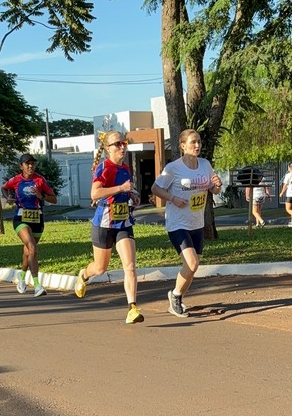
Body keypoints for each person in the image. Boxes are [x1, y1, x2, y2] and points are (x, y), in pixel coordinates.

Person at [74, 130, 144, 324]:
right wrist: (121, 189)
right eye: (118, 144)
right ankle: (83, 274)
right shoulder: (104, 168)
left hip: (123, 222)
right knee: (100, 268)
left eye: (124, 143)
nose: (122, 147)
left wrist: (133, 195)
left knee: (129, 266)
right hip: (104, 223)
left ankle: (132, 308)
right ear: (107, 149)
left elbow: (127, 189)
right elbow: (95, 193)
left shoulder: (125, 168)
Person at [150, 128, 222, 318]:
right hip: (177, 223)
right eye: (193, 142)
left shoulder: (205, 165)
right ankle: (175, 297)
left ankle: (178, 297)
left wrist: (217, 185)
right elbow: (155, 188)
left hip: (196, 222)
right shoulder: (173, 168)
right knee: (191, 263)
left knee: (194, 266)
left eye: (198, 141)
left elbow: (213, 190)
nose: (197, 145)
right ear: (183, 146)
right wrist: (172, 198)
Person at [1, 153, 57, 296]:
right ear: (21, 166)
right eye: (27, 164)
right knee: (32, 247)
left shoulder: (40, 180)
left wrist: (41, 196)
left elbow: (54, 199)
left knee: (28, 251)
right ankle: (37, 286)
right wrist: (8, 198)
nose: (30, 166)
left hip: (37, 218)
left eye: (33, 163)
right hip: (21, 217)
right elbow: (4, 187)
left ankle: (21, 277)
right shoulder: (16, 180)